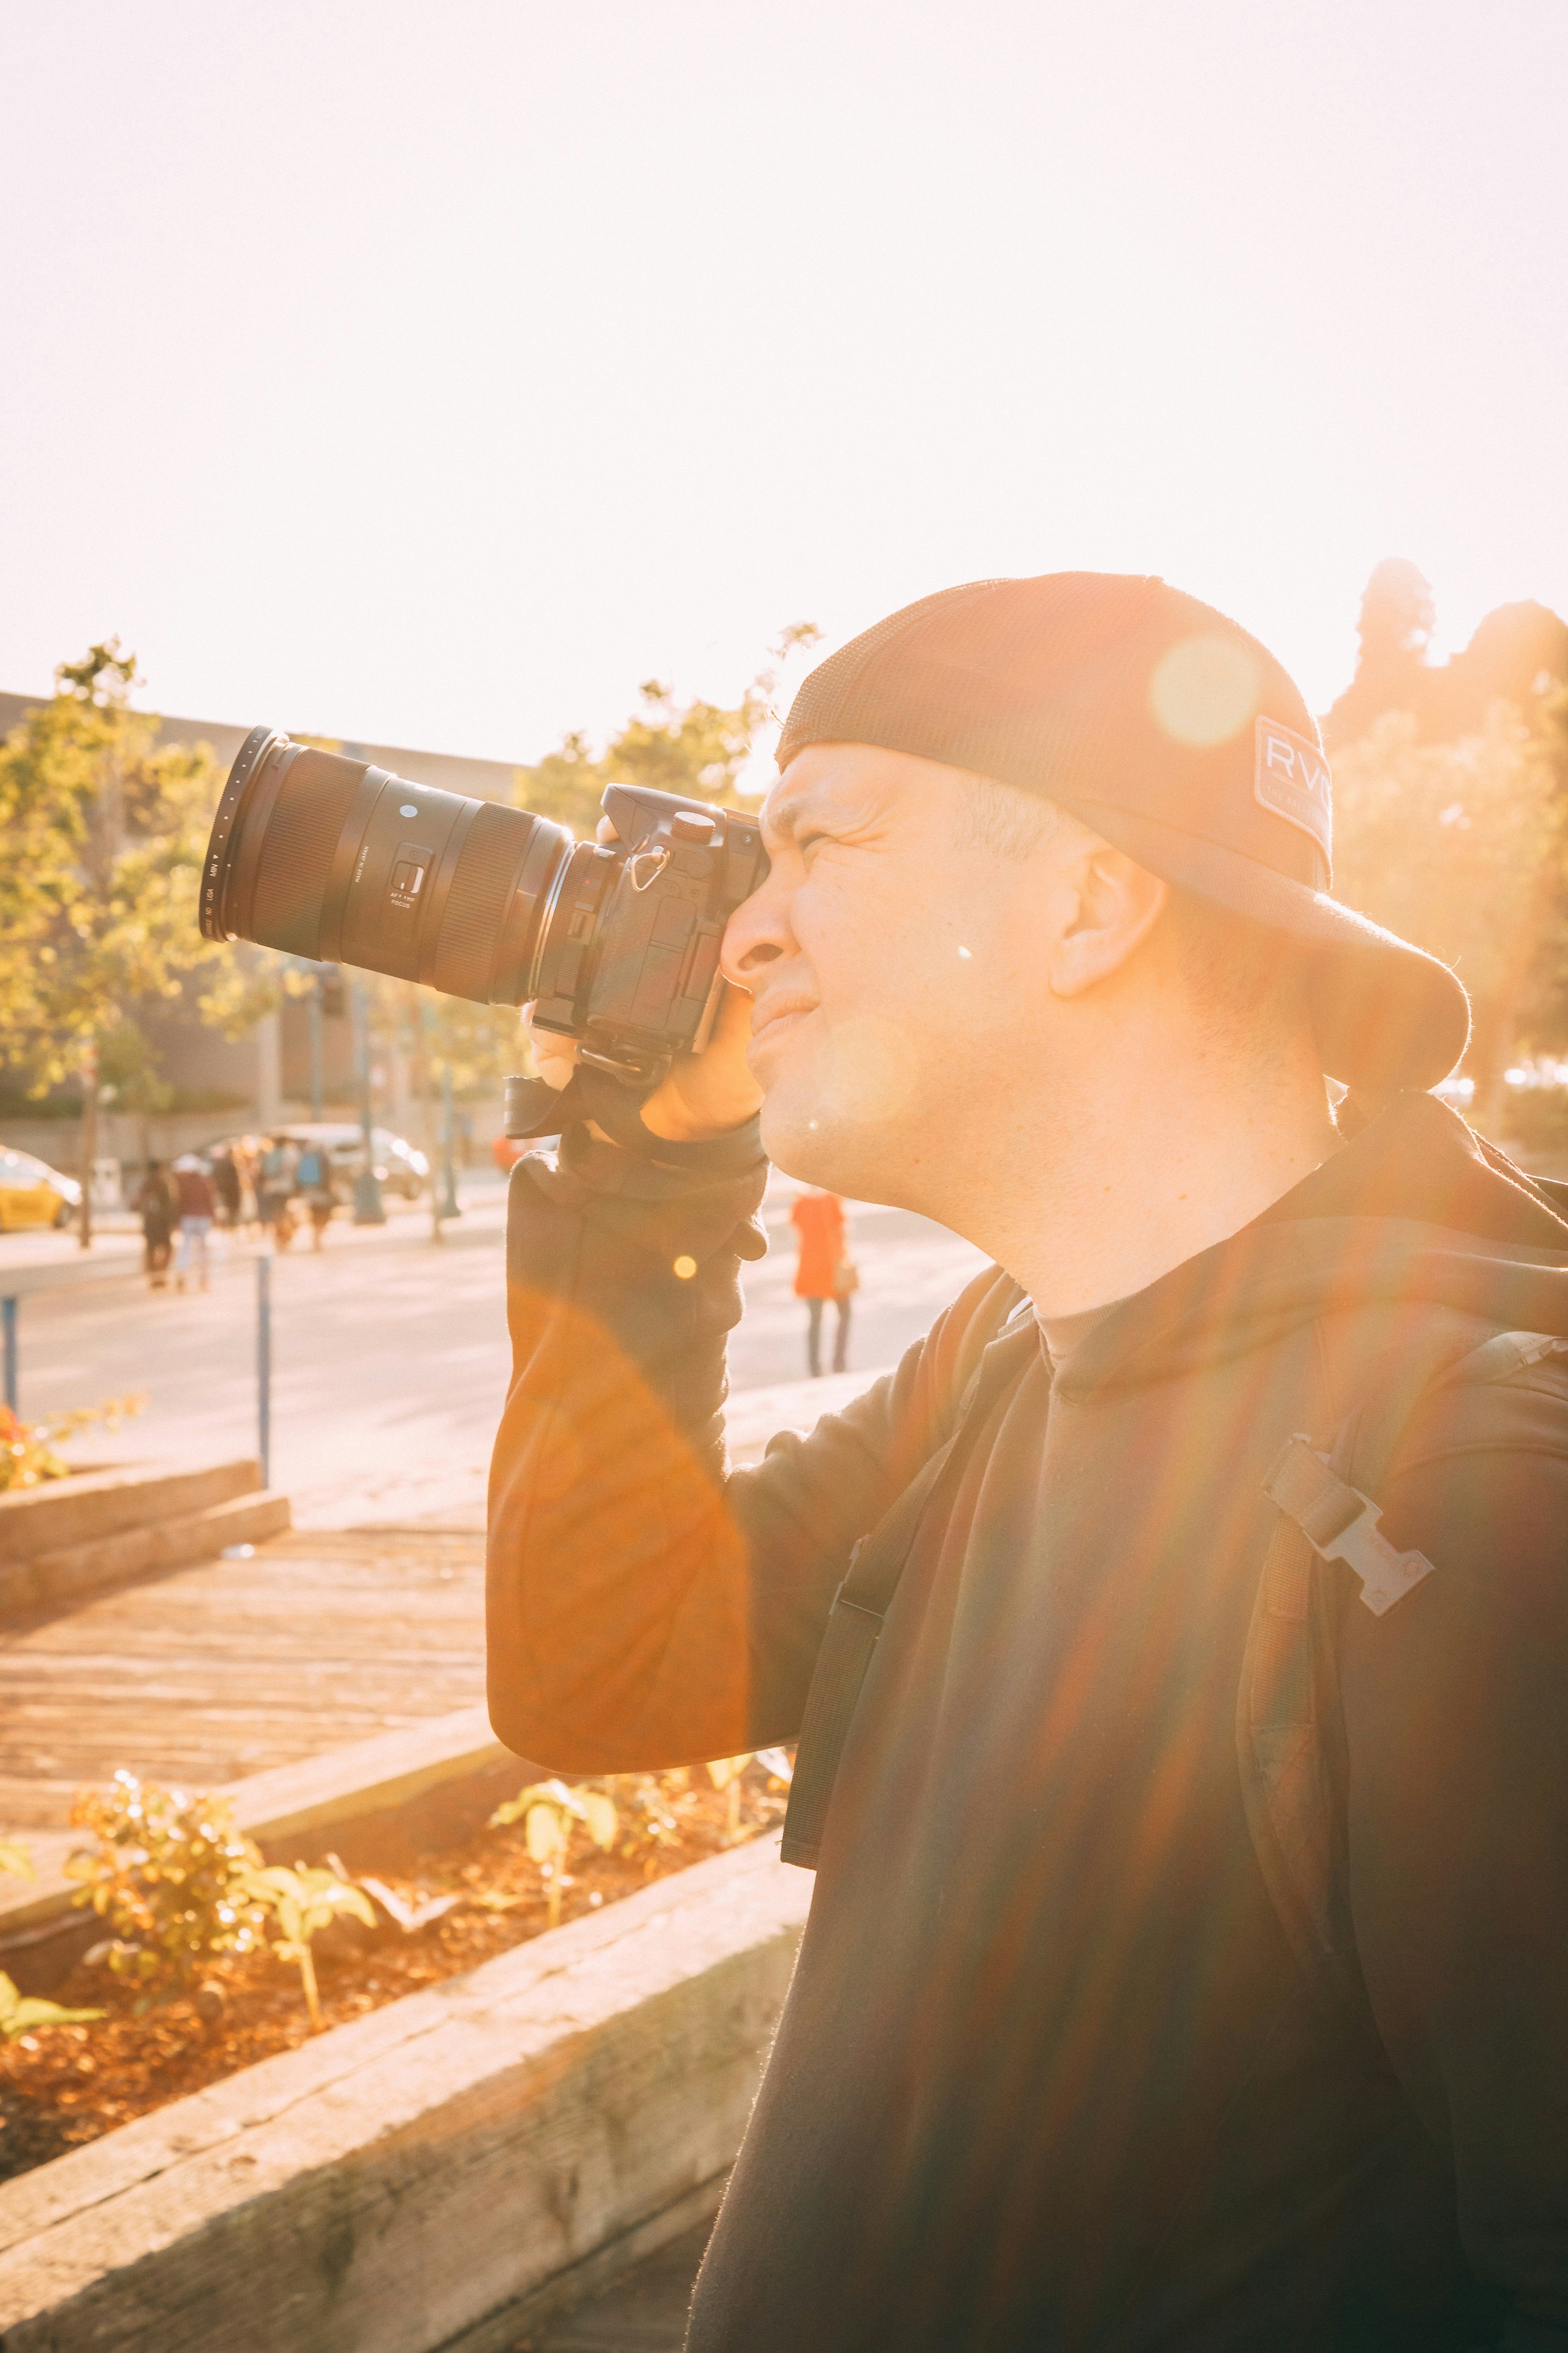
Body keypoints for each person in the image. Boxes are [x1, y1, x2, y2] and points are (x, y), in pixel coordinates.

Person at [488, 574, 1568, 2352]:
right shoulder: (1000, 1351)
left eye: (815, 841)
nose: (743, 934)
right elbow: (593, 1663)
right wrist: (644, 1169)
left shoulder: (1465, 1501)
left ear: (1086, 901)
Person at [790, 1186, 854, 1375]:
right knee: (845, 1314)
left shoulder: (800, 1204)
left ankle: (814, 1367)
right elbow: (843, 1230)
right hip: (832, 1269)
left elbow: (797, 1228)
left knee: (815, 1320)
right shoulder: (832, 1201)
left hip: (809, 1270)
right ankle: (839, 1361)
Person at [170, 1155, 216, 1292]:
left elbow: (180, 1204)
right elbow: (209, 1201)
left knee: (186, 1248)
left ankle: (182, 1276)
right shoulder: (205, 1182)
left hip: (188, 1219)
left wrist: (177, 1220)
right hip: (203, 1218)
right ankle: (204, 1278)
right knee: (203, 1249)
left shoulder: (182, 1184)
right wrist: (213, 1216)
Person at [131, 1158, 177, 1289]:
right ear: (159, 1170)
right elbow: (169, 1206)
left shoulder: (145, 1185)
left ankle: (154, 1277)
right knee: (167, 1249)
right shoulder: (163, 1184)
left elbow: (136, 1204)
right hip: (161, 1224)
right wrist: (172, 1222)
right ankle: (159, 1275)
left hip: (149, 1224)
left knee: (151, 1250)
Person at [293, 1138, 335, 1250]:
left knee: (314, 1212)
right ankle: (318, 1236)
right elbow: (328, 1174)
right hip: (322, 1190)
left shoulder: (304, 1156)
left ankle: (316, 1237)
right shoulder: (323, 1156)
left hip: (309, 1189)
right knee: (324, 1213)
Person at [256, 1135, 297, 1249]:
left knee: (276, 1213)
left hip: (271, 1188)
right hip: (285, 1187)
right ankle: (284, 1237)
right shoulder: (290, 1154)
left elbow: (263, 1171)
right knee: (283, 1212)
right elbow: (295, 1170)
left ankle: (278, 1238)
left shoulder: (270, 1154)